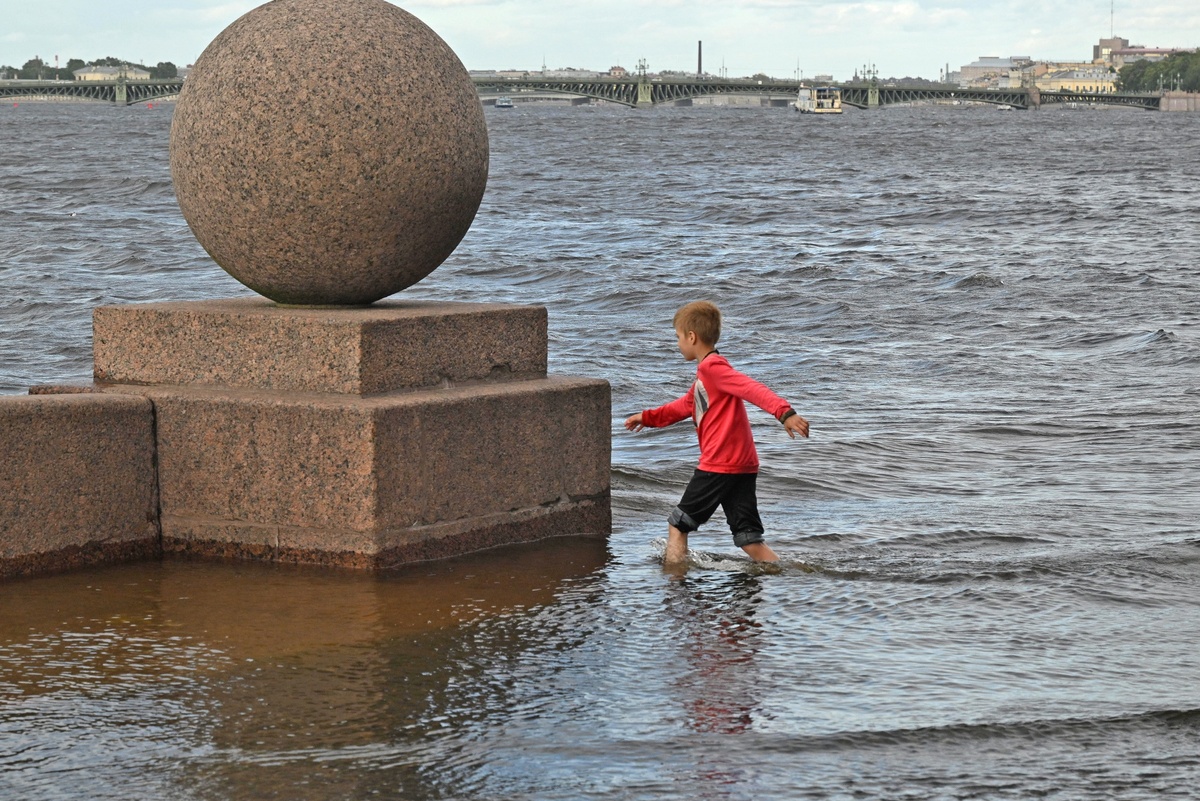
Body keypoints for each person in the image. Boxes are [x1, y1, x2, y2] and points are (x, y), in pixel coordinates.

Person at [624, 300, 809, 568]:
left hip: (720, 464)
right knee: (748, 538)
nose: (677, 344)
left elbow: (750, 387)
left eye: (678, 338)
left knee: (678, 524)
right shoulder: (707, 377)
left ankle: (675, 590)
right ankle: (793, 574)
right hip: (743, 465)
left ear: (692, 337)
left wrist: (785, 413)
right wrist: (648, 417)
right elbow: (685, 406)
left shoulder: (713, 369)